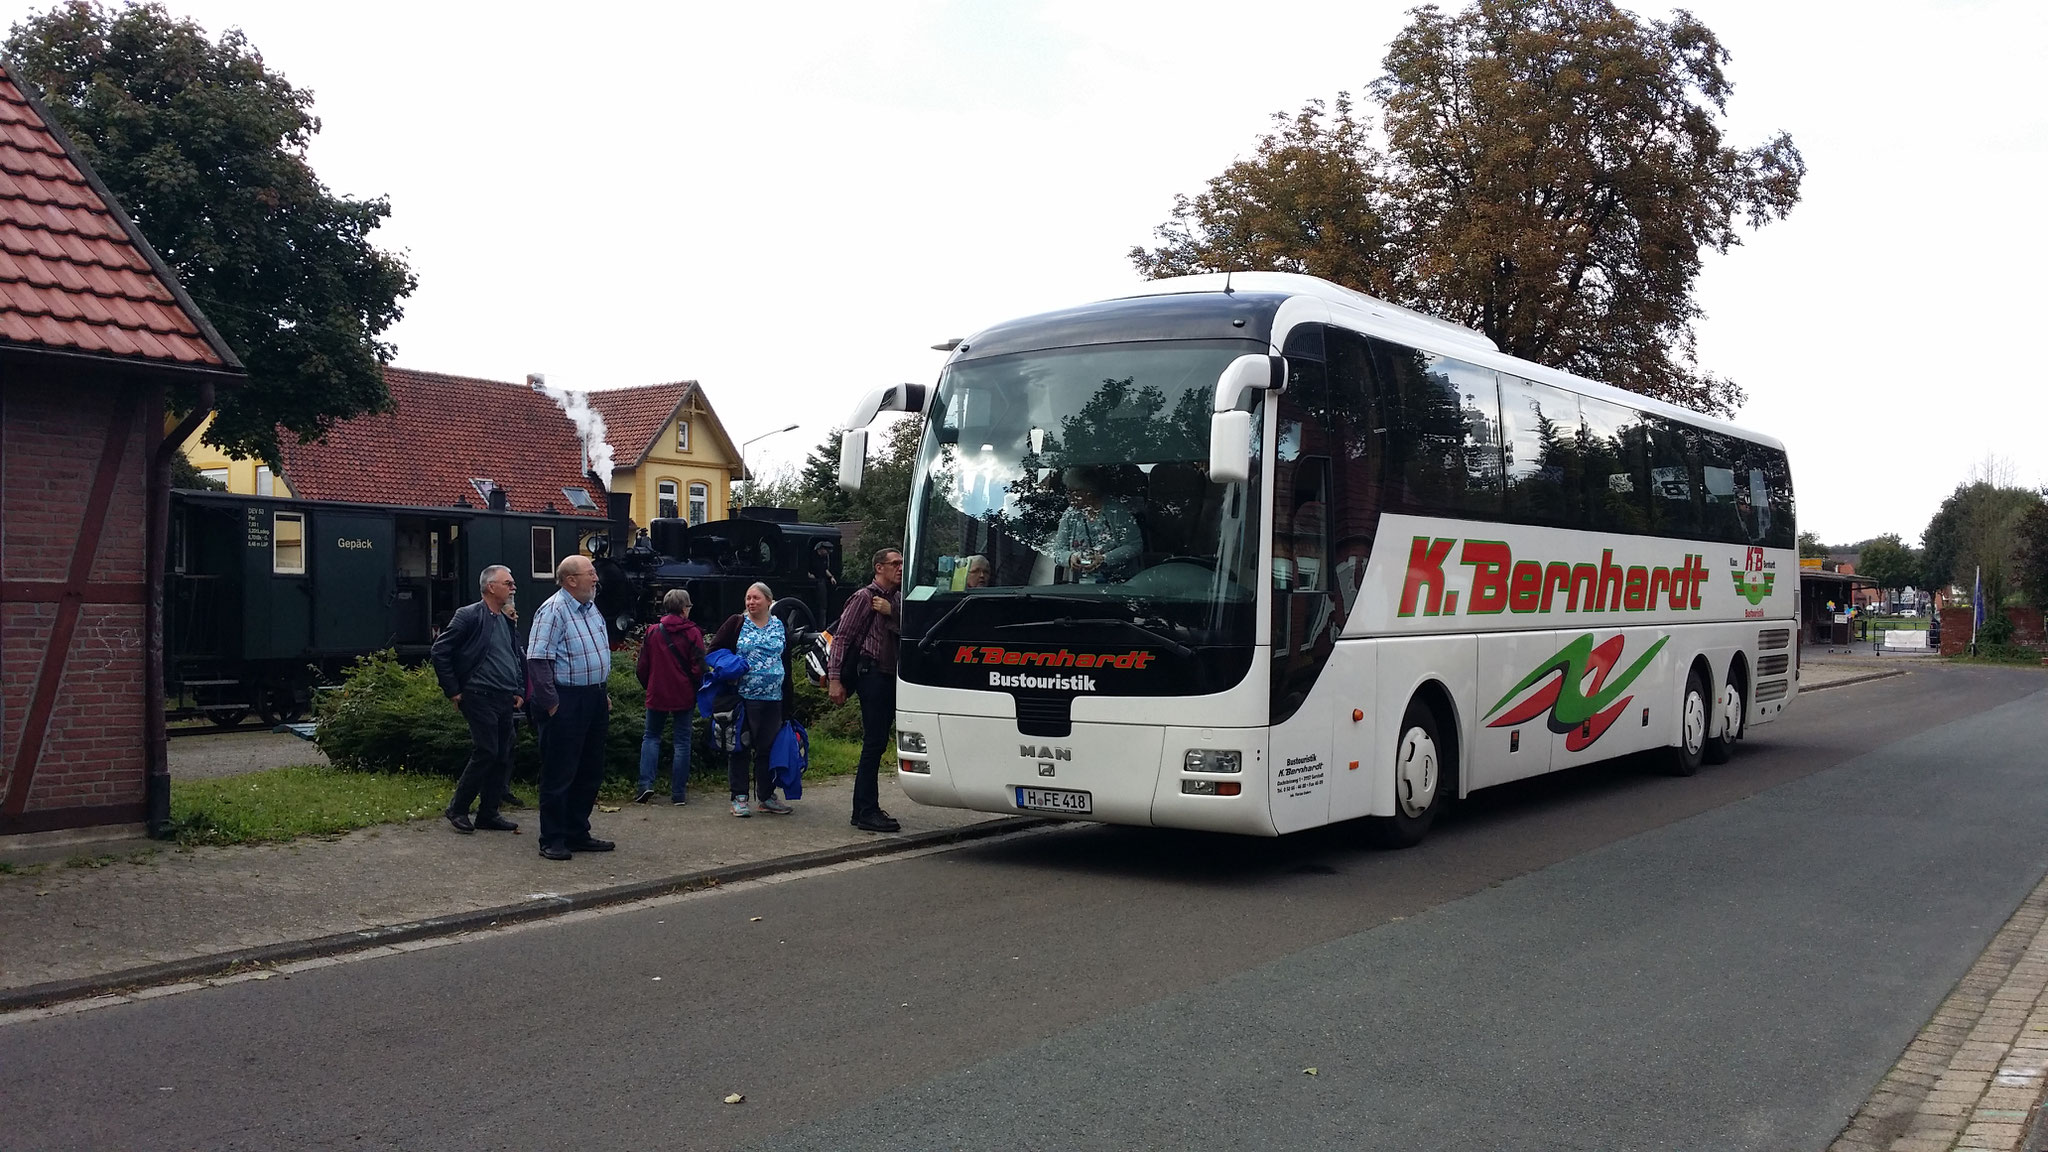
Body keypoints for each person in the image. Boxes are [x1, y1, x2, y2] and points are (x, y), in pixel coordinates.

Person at [524, 554, 614, 861]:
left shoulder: (590, 608)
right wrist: (552, 706)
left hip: (593, 698)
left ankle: (577, 832)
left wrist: (602, 691)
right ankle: (552, 838)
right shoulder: (553, 610)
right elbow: (538, 661)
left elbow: (596, 652)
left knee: (590, 770)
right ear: (571, 580)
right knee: (560, 772)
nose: (596, 578)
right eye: (590, 573)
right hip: (565, 700)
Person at [431, 564, 525, 834]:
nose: (513, 587)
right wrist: (453, 690)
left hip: (504, 696)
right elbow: (441, 651)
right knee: (487, 750)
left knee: (503, 752)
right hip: (478, 694)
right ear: (490, 587)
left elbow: (514, 654)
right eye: (508, 583)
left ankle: (489, 813)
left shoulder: (507, 618)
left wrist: (518, 689)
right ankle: (458, 808)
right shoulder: (469, 615)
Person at [828, 548, 904, 833]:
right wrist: (835, 679)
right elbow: (842, 638)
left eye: (901, 563)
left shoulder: (895, 599)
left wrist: (892, 611)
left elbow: (910, 628)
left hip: (889, 675)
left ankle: (862, 809)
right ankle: (866, 810)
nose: (900, 568)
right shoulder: (863, 597)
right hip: (871, 674)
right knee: (874, 743)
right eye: (894, 563)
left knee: (878, 742)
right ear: (878, 568)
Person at [710, 582, 797, 817]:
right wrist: (730, 668)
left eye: (756, 598)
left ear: (769, 601)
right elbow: (714, 650)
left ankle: (766, 797)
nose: (751, 602)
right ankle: (739, 797)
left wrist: (789, 697)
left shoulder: (778, 625)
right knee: (741, 746)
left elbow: (785, 661)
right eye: (748, 598)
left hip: (774, 698)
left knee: (767, 748)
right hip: (742, 697)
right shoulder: (736, 623)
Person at [634, 588, 704, 805]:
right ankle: (678, 794)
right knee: (682, 741)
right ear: (684, 609)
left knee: (651, 737)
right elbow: (700, 667)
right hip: (684, 694)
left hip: (657, 693)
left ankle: (645, 786)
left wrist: (650, 685)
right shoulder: (693, 632)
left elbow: (642, 666)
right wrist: (695, 688)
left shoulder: (653, 632)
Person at [1053, 466, 1141, 582]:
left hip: (1120, 583)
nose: (1067, 496)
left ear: (1088, 493)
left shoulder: (1116, 511)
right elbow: (1058, 551)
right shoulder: (1070, 515)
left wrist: (1105, 559)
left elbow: (1135, 545)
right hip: (1080, 586)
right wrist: (1070, 557)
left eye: (1071, 491)